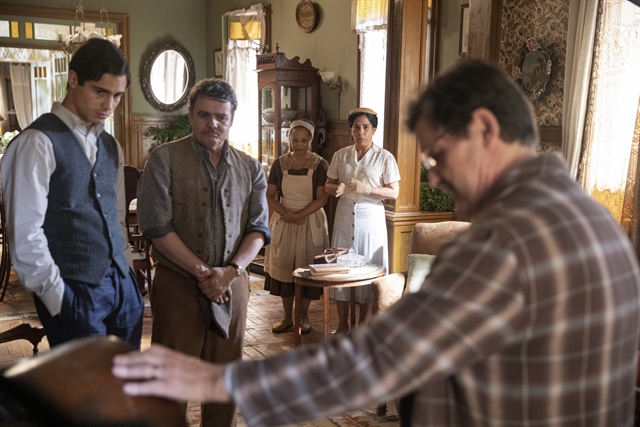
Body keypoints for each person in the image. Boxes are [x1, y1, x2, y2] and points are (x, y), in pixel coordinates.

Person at [113, 60, 640, 427]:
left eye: (437, 156)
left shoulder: (502, 245)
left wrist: (222, 386)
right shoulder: (597, 224)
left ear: (484, 129)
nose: (436, 177)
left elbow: (378, 359)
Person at [135, 78, 270, 427]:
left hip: (233, 285)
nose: (213, 123)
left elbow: (259, 229)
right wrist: (203, 273)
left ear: (232, 118)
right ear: (191, 115)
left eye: (221, 117)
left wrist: (230, 272)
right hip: (178, 284)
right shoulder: (164, 159)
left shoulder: (251, 168)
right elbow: (156, 226)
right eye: (204, 115)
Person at [1, 38, 143, 348]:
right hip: (72, 290)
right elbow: (25, 235)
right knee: (84, 394)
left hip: (122, 288)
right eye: (100, 92)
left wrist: (128, 274)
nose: (109, 106)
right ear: (73, 79)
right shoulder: (36, 142)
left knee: (124, 389)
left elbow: (115, 217)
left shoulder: (110, 145)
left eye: (117, 96)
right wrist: (59, 299)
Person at [324, 108, 400, 334]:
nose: (361, 132)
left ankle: (363, 325)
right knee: (341, 268)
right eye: (356, 127)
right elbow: (327, 185)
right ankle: (342, 324)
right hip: (345, 213)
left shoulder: (384, 157)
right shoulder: (341, 155)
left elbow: (394, 193)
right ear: (350, 130)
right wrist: (335, 188)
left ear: (374, 130)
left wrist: (367, 188)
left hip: (371, 217)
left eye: (366, 127)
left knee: (369, 268)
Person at [263, 119, 330, 334]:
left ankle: (303, 317)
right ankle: (286, 317)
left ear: (310, 140)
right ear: (288, 139)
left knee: (306, 269)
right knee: (285, 269)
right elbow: (271, 195)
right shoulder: (279, 163)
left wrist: (298, 215)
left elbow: (321, 199)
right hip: (285, 220)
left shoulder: (320, 164)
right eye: (294, 140)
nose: (299, 145)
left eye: (303, 140)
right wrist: (287, 215)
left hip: (310, 221)